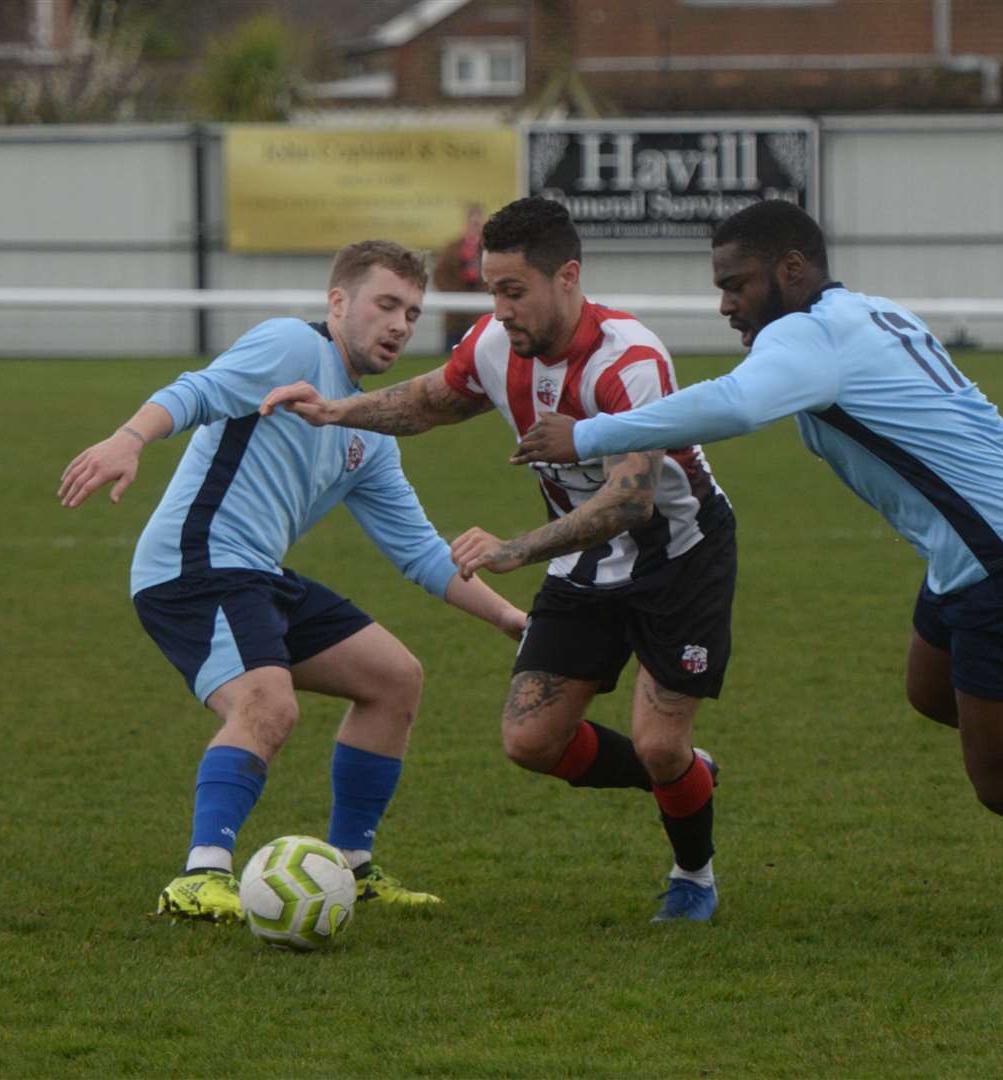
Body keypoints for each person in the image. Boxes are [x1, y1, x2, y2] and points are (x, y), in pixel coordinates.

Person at [511, 199, 1003, 930]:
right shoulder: (863, 313)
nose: (727, 304)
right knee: (933, 690)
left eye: (737, 284)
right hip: (985, 546)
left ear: (792, 270)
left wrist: (590, 434)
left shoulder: (808, 336)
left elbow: (733, 407)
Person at [261, 197, 737, 923]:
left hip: (680, 560)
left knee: (659, 744)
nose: (500, 308)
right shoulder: (494, 345)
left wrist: (513, 550)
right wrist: (335, 410)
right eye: (492, 290)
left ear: (567, 277)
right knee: (529, 740)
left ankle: (692, 875)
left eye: (514, 290)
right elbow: (426, 404)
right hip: (583, 562)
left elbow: (631, 503)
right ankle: (684, 778)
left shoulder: (628, 363)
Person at [58, 239, 528, 924]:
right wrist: (130, 437)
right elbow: (198, 390)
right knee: (267, 704)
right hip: (194, 567)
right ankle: (200, 876)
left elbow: (421, 552)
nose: (400, 324)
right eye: (386, 304)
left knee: (394, 678)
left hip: (258, 575)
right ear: (338, 303)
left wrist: (512, 619)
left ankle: (353, 867)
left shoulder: (367, 431)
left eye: (413, 312)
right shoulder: (290, 347)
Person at [433, 203, 487, 351]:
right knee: (449, 361)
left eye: (478, 221)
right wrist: (453, 294)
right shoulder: (453, 247)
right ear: (467, 221)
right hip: (455, 319)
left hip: (480, 317)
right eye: (472, 221)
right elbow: (439, 275)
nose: (475, 224)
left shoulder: (490, 248)